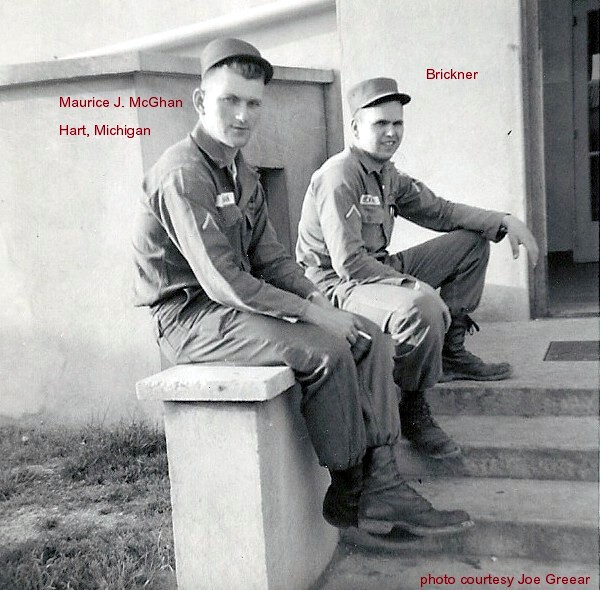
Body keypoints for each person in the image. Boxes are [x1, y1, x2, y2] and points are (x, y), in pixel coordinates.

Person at [132, 40, 473, 536]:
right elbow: (225, 281)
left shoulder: (240, 170)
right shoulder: (183, 174)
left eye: (253, 103)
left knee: (368, 336)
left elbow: (272, 259)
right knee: (326, 351)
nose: (243, 115)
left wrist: (315, 299)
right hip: (190, 317)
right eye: (230, 100)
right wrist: (315, 315)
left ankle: (383, 482)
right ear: (201, 101)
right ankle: (349, 488)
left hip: (234, 308)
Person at [296, 77, 539, 460]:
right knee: (420, 308)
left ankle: (451, 355)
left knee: (472, 242)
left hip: (377, 269)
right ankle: (412, 404)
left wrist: (503, 220)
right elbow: (349, 264)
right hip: (337, 286)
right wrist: (412, 286)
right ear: (356, 128)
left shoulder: (388, 175)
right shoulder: (339, 175)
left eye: (398, 123)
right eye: (381, 124)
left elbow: (441, 212)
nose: (392, 132)